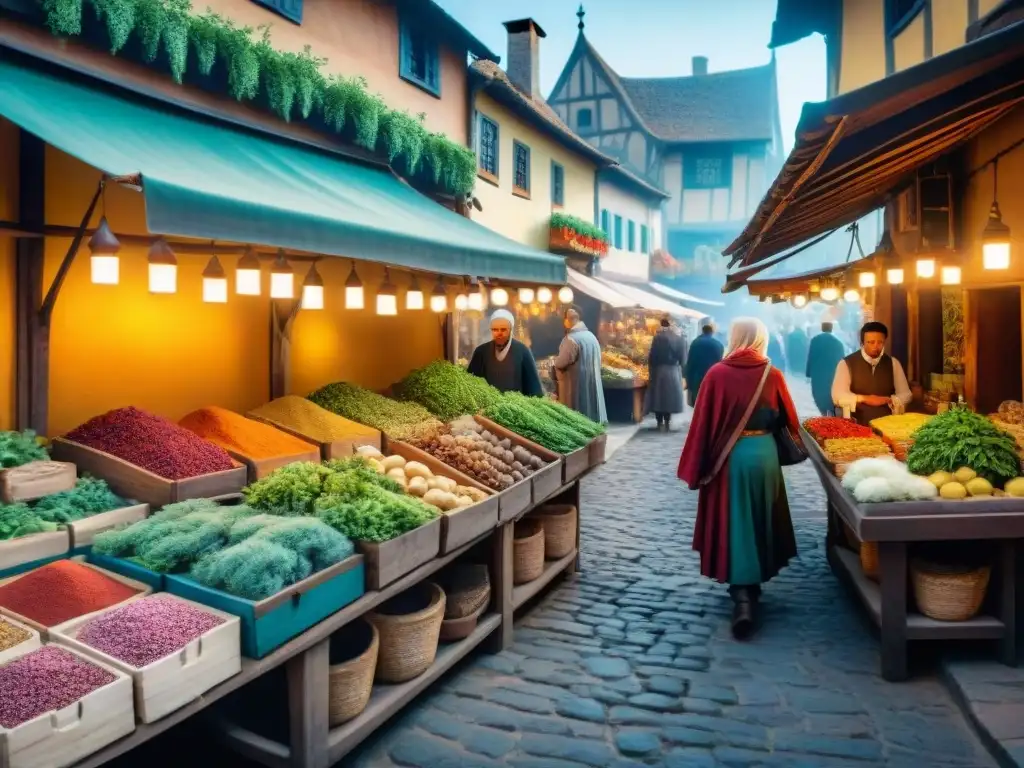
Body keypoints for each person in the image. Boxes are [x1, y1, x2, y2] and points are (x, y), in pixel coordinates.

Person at [677, 317, 800, 639]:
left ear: (733, 337)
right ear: (761, 337)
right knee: (760, 517)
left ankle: (741, 594)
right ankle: (752, 585)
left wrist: (697, 466)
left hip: (730, 459)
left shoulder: (716, 375)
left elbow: (701, 425)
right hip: (764, 455)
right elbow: (789, 419)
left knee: (736, 522)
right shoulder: (772, 374)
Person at [831, 321, 913, 425]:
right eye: (871, 342)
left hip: (888, 423)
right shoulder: (846, 363)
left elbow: (906, 394)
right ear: (862, 342)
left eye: (880, 342)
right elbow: (838, 395)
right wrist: (865, 399)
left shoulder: (893, 363)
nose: (875, 346)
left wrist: (889, 400)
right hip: (856, 423)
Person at [467, 309, 544, 396]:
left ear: (510, 330)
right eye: (495, 330)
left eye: (503, 330)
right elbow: (470, 385)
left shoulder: (522, 351)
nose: (499, 333)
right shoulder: (481, 352)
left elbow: (534, 389)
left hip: (517, 406)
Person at [553, 306, 607, 424]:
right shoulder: (591, 337)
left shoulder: (571, 339)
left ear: (568, 320)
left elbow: (561, 363)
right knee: (591, 413)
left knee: (578, 416)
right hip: (591, 382)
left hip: (575, 386)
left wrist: (554, 363)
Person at [645, 316, 687, 431]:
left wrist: (651, 371)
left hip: (659, 370)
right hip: (673, 370)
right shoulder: (680, 340)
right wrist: (683, 374)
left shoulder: (657, 338)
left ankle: (659, 423)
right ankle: (667, 422)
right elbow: (683, 359)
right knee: (669, 397)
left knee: (659, 397)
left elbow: (652, 357)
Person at [806, 322, 846, 416]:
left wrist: (808, 373)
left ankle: (824, 413)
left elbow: (811, 357)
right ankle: (830, 414)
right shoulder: (838, 342)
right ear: (831, 329)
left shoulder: (815, 340)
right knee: (830, 395)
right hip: (832, 374)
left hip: (818, 374)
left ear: (822, 328)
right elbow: (842, 361)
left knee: (819, 395)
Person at [685, 323, 725, 407]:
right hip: (711, 377)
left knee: (696, 402)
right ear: (712, 332)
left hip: (696, 377)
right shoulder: (718, 345)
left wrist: (687, 379)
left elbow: (690, 361)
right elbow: (720, 363)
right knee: (707, 403)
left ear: (702, 331)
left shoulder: (695, 342)